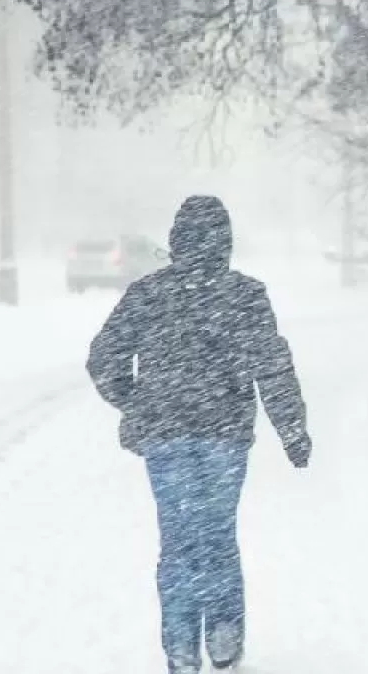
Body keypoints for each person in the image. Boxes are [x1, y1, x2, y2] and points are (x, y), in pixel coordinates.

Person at [85, 195, 311, 674]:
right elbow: (272, 368)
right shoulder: (246, 295)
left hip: (166, 435)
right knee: (217, 537)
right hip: (224, 434)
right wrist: (292, 430)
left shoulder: (148, 294)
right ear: (226, 241)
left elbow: (104, 359)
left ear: (175, 241)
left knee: (178, 541)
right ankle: (225, 641)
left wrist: (137, 403)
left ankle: (181, 649)